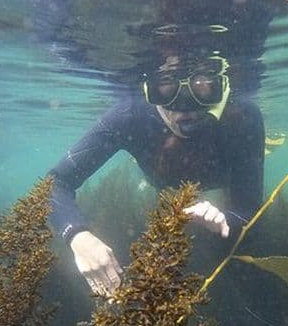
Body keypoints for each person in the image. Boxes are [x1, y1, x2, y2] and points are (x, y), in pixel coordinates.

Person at [48, 52, 264, 296]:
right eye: (166, 86)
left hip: (218, 171)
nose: (185, 109)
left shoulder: (243, 117)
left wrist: (225, 220)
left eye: (202, 86)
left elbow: (249, 209)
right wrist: (78, 236)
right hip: (161, 178)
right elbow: (56, 183)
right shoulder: (130, 115)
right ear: (149, 88)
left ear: (220, 85)